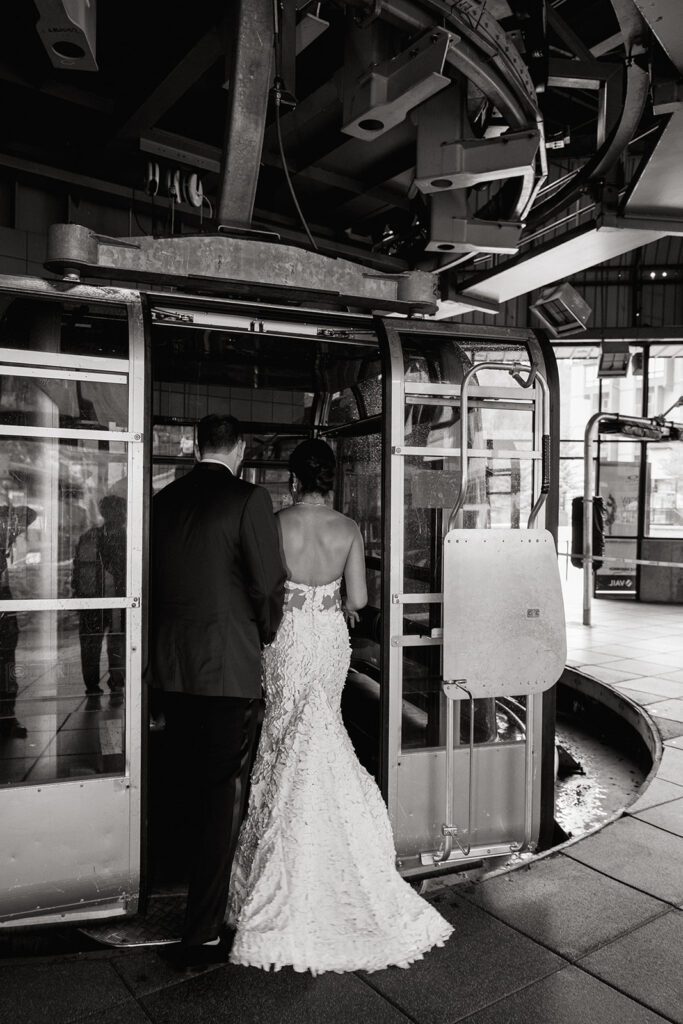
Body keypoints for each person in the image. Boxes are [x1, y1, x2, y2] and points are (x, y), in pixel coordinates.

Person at [228, 439, 453, 974]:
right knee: (323, 727)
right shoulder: (348, 528)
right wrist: (329, 600)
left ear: (293, 479)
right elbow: (357, 601)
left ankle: (277, 863)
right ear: (330, 480)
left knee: (283, 730)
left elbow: (261, 588)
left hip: (284, 637)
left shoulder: (275, 522)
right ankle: (338, 852)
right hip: (328, 635)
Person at [149, 414, 286, 969]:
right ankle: (201, 928)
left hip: (172, 669)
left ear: (196, 445)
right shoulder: (249, 499)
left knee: (186, 784)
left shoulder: (163, 499)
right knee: (222, 795)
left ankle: (181, 894)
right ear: (242, 448)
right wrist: (265, 633)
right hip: (227, 670)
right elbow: (268, 582)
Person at [72, 494, 127, 695]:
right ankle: (104, 683)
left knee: (107, 643)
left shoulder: (92, 536)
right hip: (100, 600)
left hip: (107, 600)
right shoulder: (125, 538)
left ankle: (108, 682)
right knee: (100, 643)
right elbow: (78, 569)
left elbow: (76, 570)